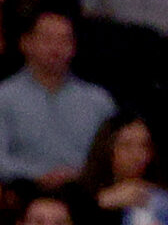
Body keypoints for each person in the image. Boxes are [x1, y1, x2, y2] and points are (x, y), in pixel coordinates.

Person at [0, 10, 114, 187]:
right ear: (25, 43)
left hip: (87, 192)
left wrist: (79, 175)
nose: (56, 48)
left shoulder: (99, 101)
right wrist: (39, 175)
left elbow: (115, 157)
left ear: (74, 47)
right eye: (47, 39)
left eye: (64, 40)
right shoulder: (4, 96)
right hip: (24, 191)